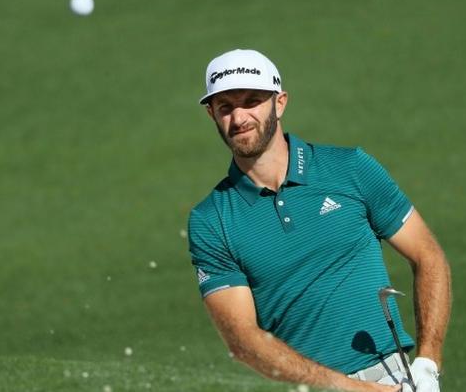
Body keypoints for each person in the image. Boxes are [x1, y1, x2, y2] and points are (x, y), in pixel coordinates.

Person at [186, 49, 451, 392]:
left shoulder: (350, 168)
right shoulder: (210, 221)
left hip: (394, 378)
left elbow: (427, 254)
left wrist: (428, 365)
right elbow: (243, 340)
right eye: (225, 107)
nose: (239, 118)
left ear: (279, 103)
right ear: (212, 114)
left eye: (252, 101)